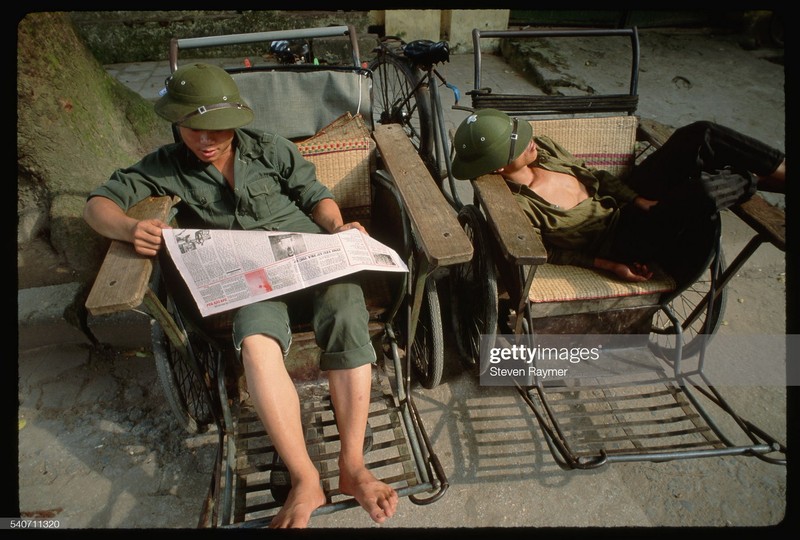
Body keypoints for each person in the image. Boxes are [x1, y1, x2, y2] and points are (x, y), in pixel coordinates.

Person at [83, 63, 398, 528]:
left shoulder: (270, 148)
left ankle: (352, 466)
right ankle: (305, 477)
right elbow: (97, 205)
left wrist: (337, 227)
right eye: (194, 129)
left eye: (219, 130)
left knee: (347, 308)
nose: (207, 141)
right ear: (177, 123)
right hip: (248, 275)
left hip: (309, 257)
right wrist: (131, 228)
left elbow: (316, 196)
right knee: (254, 339)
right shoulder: (166, 165)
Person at [451, 109, 786, 286]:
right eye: (517, 145)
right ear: (496, 168)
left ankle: (783, 171)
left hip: (629, 202)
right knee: (702, 191)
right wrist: (612, 266)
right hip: (623, 239)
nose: (529, 141)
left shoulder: (547, 149)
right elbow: (551, 253)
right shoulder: (520, 207)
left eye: (521, 132)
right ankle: (752, 178)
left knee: (699, 134)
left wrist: (637, 200)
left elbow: (597, 178)